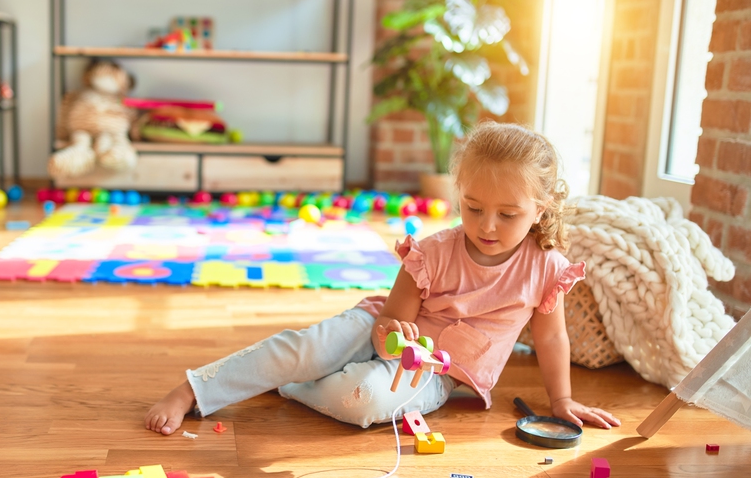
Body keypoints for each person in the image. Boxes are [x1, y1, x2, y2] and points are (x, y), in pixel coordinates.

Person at [145, 122, 621, 435]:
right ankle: (197, 388)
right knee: (307, 348)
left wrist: (562, 400)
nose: (487, 226)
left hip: (438, 374)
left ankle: (291, 382)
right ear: (459, 193)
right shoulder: (432, 252)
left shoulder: (545, 268)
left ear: (542, 207)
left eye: (509, 214)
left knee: (364, 401)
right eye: (473, 208)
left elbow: (552, 337)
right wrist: (393, 336)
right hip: (376, 329)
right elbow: (388, 322)